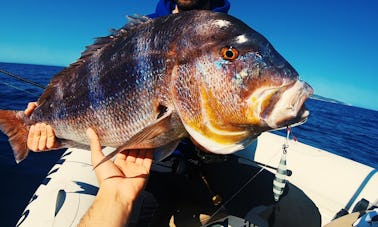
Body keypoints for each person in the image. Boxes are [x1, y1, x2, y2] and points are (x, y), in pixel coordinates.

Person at [24, 0, 232, 225]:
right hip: (137, 163)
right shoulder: (142, 34)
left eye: (229, 54)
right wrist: (48, 111)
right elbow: (93, 87)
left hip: (199, 170)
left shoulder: (227, 33)